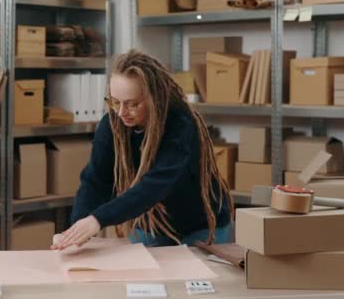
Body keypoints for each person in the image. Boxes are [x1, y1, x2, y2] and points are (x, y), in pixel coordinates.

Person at [52, 49, 233, 250]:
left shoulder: (180, 125)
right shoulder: (112, 124)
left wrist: (97, 219)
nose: (121, 112)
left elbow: (154, 185)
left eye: (132, 104)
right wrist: (78, 228)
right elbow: (95, 181)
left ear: (153, 98)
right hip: (152, 224)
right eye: (115, 102)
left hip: (201, 225)